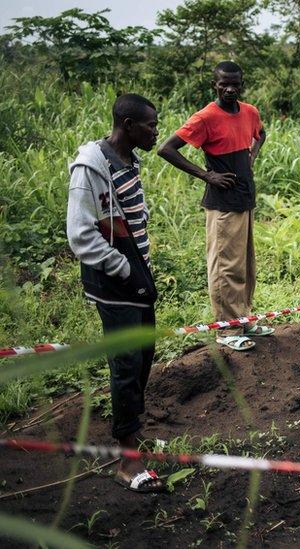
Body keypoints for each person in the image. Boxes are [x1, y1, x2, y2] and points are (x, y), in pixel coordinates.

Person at [67, 93, 166, 493]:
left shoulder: (128, 161)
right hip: (114, 280)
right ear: (128, 125)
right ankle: (127, 462)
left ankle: (132, 434)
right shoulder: (91, 168)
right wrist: (122, 267)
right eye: (150, 126)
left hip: (135, 271)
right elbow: (80, 233)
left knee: (143, 355)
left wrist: (137, 264)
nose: (156, 132)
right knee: (125, 365)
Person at [158, 61, 272, 352]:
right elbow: (166, 149)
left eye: (235, 83)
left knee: (245, 265)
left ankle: (243, 319)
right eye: (224, 84)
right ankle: (225, 329)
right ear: (215, 85)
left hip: (245, 198)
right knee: (225, 267)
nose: (230, 89)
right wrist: (206, 174)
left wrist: (251, 157)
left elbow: (261, 134)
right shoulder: (205, 117)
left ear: (242, 84)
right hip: (222, 204)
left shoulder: (250, 112)